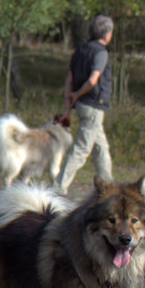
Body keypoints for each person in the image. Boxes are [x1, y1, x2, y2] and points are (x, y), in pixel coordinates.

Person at [53, 15, 115, 195]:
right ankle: (58, 187)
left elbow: (70, 79)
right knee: (81, 149)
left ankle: (108, 187)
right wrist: (78, 94)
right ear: (107, 33)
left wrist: (69, 104)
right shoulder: (101, 52)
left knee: (101, 148)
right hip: (94, 105)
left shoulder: (80, 50)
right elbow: (93, 80)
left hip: (82, 106)